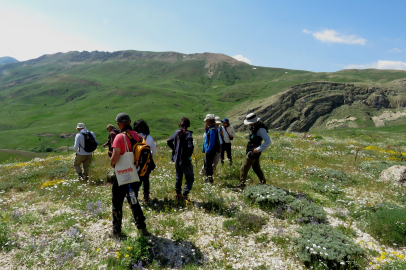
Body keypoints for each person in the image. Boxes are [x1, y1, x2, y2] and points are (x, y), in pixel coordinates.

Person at [110, 113, 149, 237]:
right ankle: (142, 228)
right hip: (135, 175)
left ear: (118, 124)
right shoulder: (138, 136)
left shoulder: (119, 137)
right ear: (130, 121)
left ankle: (116, 231)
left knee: (117, 203)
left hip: (122, 176)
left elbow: (115, 158)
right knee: (133, 200)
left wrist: (111, 161)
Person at [234, 113, 271, 191]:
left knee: (244, 168)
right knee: (256, 168)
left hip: (254, 152)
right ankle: (263, 183)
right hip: (253, 151)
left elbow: (268, 141)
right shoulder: (256, 126)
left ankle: (241, 186)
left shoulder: (261, 129)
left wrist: (258, 149)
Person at [167, 117, 195, 200]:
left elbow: (169, 141)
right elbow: (190, 147)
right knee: (190, 178)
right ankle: (185, 194)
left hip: (177, 159)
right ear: (188, 125)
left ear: (180, 123)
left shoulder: (176, 132)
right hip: (185, 160)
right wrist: (188, 155)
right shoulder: (188, 134)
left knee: (178, 177)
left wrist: (174, 150)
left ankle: (178, 193)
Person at [133, 119, 157, 203]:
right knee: (146, 180)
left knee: (136, 181)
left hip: (135, 163)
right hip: (147, 163)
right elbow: (154, 151)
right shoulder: (149, 137)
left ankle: (134, 197)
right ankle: (146, 196)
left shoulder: (133, 137)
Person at [202, 114, 220, 183]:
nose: (206, 122)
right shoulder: (211, 128)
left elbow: (211, 142)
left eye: (206, 120)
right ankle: (208, 178)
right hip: (210, 149)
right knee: (207, 164)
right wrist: (206, 130)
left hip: (210, 150)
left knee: (208, 165)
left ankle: (209, 179)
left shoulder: (212, 130)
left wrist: (208, 150)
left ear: (209, 121)